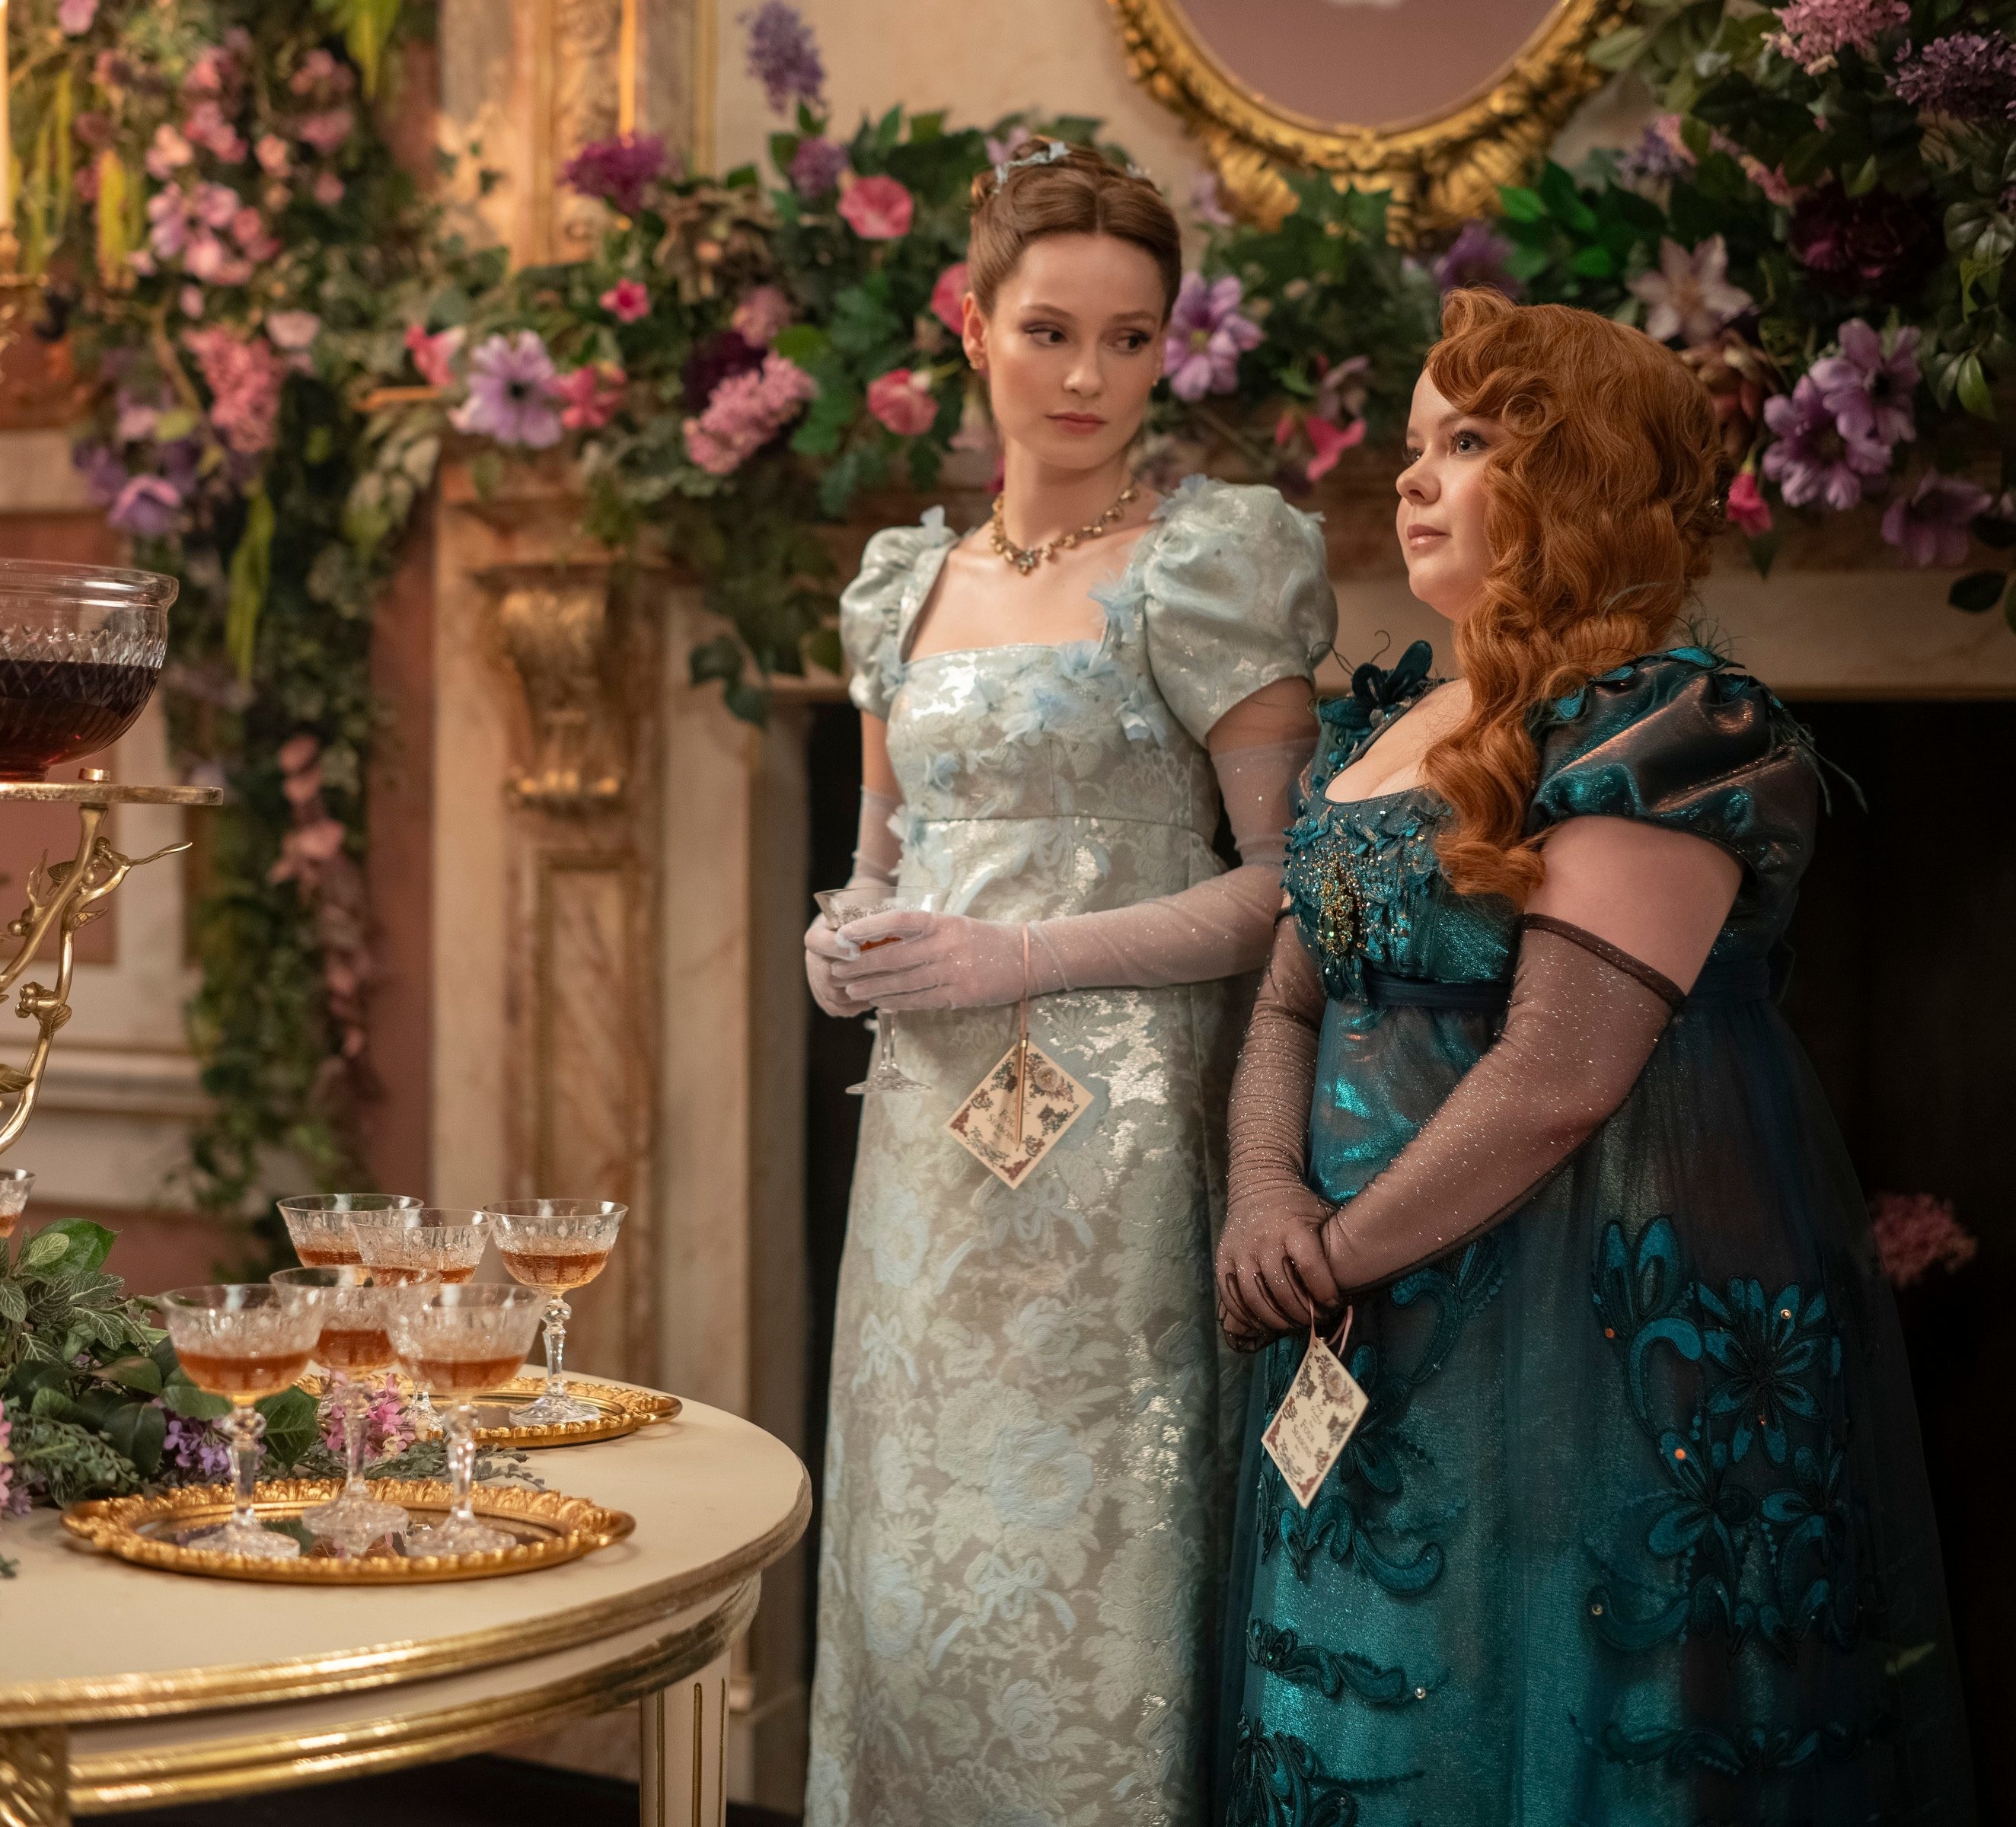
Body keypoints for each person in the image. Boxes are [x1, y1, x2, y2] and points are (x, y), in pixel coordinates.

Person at [1214, 289, 1974, 1822]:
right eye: (1415, 442)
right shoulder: (1380, 727)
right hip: (1352, 1292)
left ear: (1584, 476)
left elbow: (1560, 1079)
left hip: (1573, 1317)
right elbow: (1289, 1004)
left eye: (1468, 443)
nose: (1413, 476)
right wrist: (1260, 1193)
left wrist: (1334, 1256)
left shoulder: (1668, 728)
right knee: (1365, 1688)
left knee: (1555, 1691)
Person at [800, 139, 1335, 1826]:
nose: (1090, 376)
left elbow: (1288, 887)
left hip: (1122, 1166)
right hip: (925, 1169)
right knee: (916, 1552)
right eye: (1049, 332)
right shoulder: (905, 586)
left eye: (1130, 337)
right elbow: (881, 863)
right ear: (972, 327)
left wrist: (1017, 955)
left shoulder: (1208, 561)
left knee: (1094, 1568)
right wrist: (841, 939)